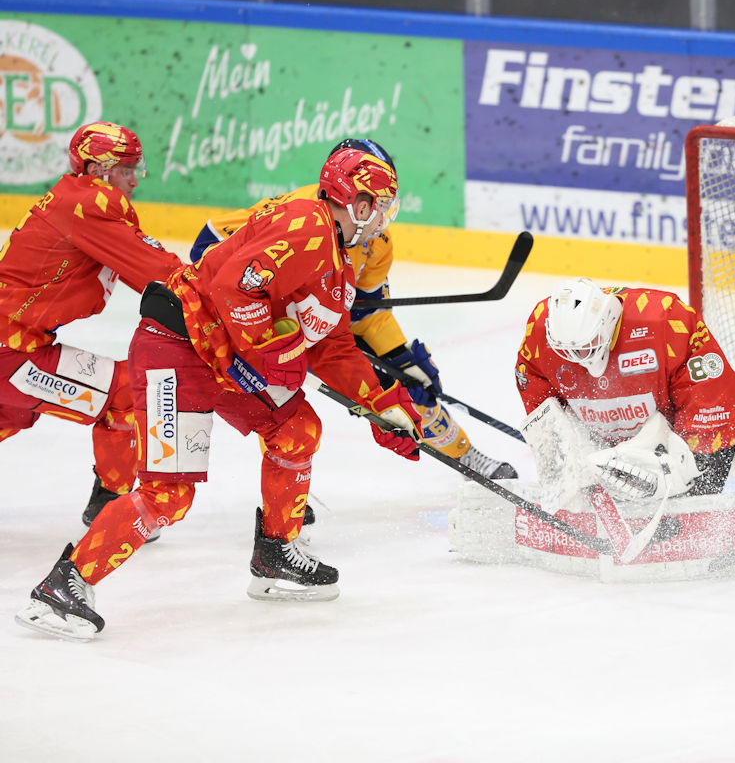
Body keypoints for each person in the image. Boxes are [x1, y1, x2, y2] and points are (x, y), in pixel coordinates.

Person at [16, 147, 423, 640]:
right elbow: (235, 289)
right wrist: (276, 351)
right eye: (380, 205)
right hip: (176, 344)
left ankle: (275, 554)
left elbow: (333, 350)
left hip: (222, 358)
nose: (384, 219)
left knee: (296, 428)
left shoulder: (338, 265)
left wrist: (385, 403)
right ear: (356, 203)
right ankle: (65, 585)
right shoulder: (306, 224)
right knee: (169, 495)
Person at [191, 138, 516, 493]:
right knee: (280, 403)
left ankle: (464, 454)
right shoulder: (295, 212)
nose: (380, 217)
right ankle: (286, 484)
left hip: (327, 322)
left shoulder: (375, 241)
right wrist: (261, 323)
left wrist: (400, 357)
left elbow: (369, 314)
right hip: (272, 321)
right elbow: (207, 249)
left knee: (405, 388)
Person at [0, 121, 181, 532]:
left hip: (15, 345)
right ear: (99, 170)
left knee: (12, 415)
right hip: (11, 352)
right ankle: (111, 510)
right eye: (125, 169)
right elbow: (156, 273)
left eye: (137, 168)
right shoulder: (93, 203)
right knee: (125, 392)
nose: (134, 180)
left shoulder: (77, 197)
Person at [515, 277, 735, 498]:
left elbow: (711, 394)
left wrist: (690, 465)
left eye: (585, 346)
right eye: (568, 351)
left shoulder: (666, 320)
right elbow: (539, 403)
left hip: (672, 437)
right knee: (574, 476)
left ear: (606, 322)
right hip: (602, 446)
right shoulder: (539, 331)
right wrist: (568, 463)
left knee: (693, 481)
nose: (576, 357)